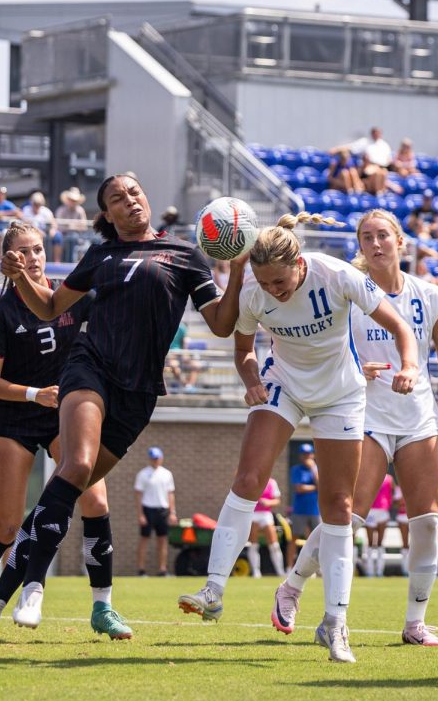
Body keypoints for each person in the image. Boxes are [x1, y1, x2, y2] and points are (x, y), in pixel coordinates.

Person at [0, 172, 234, 658]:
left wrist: (236, 267)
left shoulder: (184, 254)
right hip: (88, 368)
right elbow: (51, 307)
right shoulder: (100, 256)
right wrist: (20, 278)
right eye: (117, 197)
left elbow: (221, 324)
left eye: (134, 191)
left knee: (66, 491)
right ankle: (34, 587)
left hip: (139, 393)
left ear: (146, 198)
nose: (129, 199)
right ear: (107, 214)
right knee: (75, 467)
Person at [178, 211, 419, 664]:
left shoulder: (336, 274)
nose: (273, 291)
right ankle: (213, 589)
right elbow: (244, 351)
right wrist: (250, 379)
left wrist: (408, 366)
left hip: (341, 395)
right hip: (282, 385)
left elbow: (400, 327)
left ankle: (335, 624)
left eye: (279, 283)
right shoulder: (253, 292)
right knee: (249, 478)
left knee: (339, 507)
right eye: (265, 284)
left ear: (299, 264)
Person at [270, 209, 438, 650]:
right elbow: (325, 347)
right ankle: (294, 585)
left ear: (400, 240)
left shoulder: (432, 295)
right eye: (366, 237)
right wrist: (360, 367)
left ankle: (416, 622)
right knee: (349, 517)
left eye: (383, 235)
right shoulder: (347, 290)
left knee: (428, 521)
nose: (375, 243)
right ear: (359, 245)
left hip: (418, 417)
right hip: (365, 415)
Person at [0, 221, 128, 650]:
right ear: (9, 259)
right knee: (6, 525)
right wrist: (32, 394)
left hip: (64, 413)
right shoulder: (1, 313)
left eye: (39, 249)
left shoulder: (69, 296)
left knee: (96, 498)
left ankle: (103, 606)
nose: (34, 257)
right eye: (24, 251)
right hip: (17, 417)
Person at [135, 447, 176, 577]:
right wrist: (140, 514)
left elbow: (170, 494)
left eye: (157, 458)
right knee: (144, 539)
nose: (155, 460)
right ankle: (141, 570)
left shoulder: (167, 474)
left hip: (162, 510)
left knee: (162, 540)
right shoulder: (143, 474)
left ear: (161, 458)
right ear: (149, 459)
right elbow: (138, 495)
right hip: (148, 509)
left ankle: (162, 569)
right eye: (153, 458)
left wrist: (172, 512)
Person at [248, 476, 286, 578]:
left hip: (266, 514)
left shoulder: (272, 482)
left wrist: (268, 502)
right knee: (253, 544)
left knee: (274, 545)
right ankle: (256, 572)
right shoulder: (252, 480)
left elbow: (277, 500)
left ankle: (280, 571)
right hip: (253, 514)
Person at [363, 474, 393, 578]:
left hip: (383, 510)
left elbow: (392, 492)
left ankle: (380, 570)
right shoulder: (368, 475)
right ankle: (369, 570)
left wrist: (388, 504)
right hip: (371, 510)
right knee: (370, 542)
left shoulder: (389, 478)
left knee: (380, 542)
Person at [289, 444, 320, 538]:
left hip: (315, 510)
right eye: (304, 454)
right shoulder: (296, 469)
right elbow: (299, 488)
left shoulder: (317, 469)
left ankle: (313, 554)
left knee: (316, 538)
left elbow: (321, 486)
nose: (307, 456)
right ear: (300, 456)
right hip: (299, 510)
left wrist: (313, 468)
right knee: (294, 537)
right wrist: (315, 487)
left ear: (313, 455)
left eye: (309, 454)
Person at [55, 187, 89, 262]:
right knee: (59, 237)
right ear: (67, 200)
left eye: (75, 200)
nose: (73, 202)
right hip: (62, 236)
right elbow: (59, 226)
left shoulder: (80, 211)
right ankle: (58, 262)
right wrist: (73, 226)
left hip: (77, 237)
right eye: (71, 199)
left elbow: (84, 226)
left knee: (83, 242)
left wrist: (70, 226)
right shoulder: (61, 210)